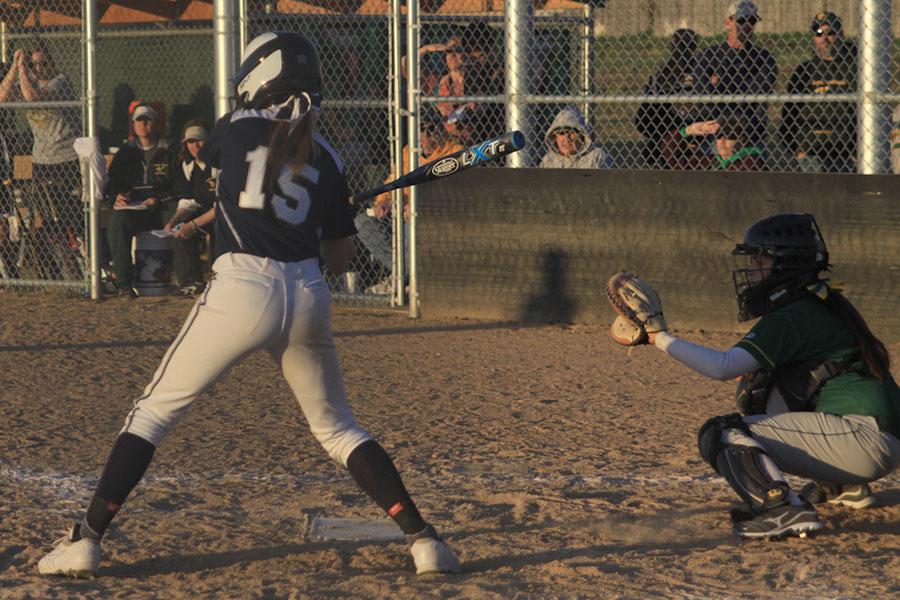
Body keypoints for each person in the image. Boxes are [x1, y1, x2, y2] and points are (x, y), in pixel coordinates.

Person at [36, 32, 461, 578]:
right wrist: (333, 210)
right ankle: (425, 542)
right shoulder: (328, 156)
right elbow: (339, 258)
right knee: (337, 429)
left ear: (260, 77)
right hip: (307, 294)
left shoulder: (233, 127)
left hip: (241, 286)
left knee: (152, 413)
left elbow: (234, 174)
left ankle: (85, 540)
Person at [646, 213, 900, 539]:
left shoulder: (794, 314)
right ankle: (842, 485)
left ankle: (780, 510)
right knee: (761, 386)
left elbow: (723, 366)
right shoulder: (818, 301)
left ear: (783, 264)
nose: (752, 269)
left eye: (760, 259)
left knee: (720, 432)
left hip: (863, 439)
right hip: (877, 436)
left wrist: (659, 338)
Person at [354, 106, 463, 287]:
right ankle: (404, 275)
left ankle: (400, 281)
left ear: (441, 128)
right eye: (421, 129)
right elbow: (391, 182)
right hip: (400, 213)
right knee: (362, 223)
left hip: (430, 216)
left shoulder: (454, 151)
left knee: (411, 222)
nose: (426, 134)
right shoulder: (407, 152)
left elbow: (453, 193)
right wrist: (384, 202)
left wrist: (418, 206)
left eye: (431, 128)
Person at [0, 40, 82, 266]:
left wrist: (23, 70)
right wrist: (15, 67)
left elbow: (33, 98)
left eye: (42, 63)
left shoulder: (60, 82)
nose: (38, 69)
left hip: (67, 157)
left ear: (52, 63)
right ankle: (59, 262)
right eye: (33, 64)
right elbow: (2, 97)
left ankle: (82, 250)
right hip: (42, 159)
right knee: (44, 214)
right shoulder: (29, 81)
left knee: (69, 211)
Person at [103, 102, 178, 296]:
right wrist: (117, 196)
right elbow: (112, 184)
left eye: (147, 120)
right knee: (117, 223)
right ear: (133, 125)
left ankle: (185, 279)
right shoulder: (125, 152)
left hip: (161, 206)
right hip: (136, 208)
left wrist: (158, 199)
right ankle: (124, 284)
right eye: (139, 121)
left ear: (155, 123)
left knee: (180, 217)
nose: (143, 125)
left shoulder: (169, 150)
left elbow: (179, 187)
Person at [692, 1, 777, 151]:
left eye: (751, 21)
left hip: (748, 131)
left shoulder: (763, 58)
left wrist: (719, 85)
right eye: (741, 20)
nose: (747, 26)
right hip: (714, 129)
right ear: (728, 22)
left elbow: (755, 96)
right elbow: (702, 96)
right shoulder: (709, 55)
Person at [780, 12, 857, 173]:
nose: (825, 39)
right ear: (814, 38)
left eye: (831, 33)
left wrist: (856, 151)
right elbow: (788, 114)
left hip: (846, 153)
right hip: (809, 152)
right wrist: (795, 150)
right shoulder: (804, 71)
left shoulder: (854, 68)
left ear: (841, 36)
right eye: (819, 33)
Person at [162, 119, 216, 296]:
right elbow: (188, 201)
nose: (196, 146)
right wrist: (174, 220)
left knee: (216, 228)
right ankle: (191, 282)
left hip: (222, 214)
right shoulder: (189, 166)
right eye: (191, 142)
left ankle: (220, 281)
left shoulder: (218, 166)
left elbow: (222, 206)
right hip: (203, 212)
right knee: (178, 228)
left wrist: (192, 225)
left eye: (200, 141)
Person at [635, 29, 699, 168]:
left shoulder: (700, 70)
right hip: (669, 126)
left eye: (688, 46)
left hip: (694, 124)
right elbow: (643, 118)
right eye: (680, 46)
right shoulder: (662, 74)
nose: (683, 51)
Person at [662, 117, 764, 171]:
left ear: (742, 139)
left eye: (729, 135)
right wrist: (688, 131)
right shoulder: (712, 162)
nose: (722, 140)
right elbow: (673, 161)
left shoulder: (751, 162)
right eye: (719, 135)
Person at [539, 105, 614, 169]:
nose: (567, 138)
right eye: (561, 133)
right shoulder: (548, 160)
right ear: (554, 137)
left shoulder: (595, 156)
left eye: (571, 132)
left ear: (582, 135)